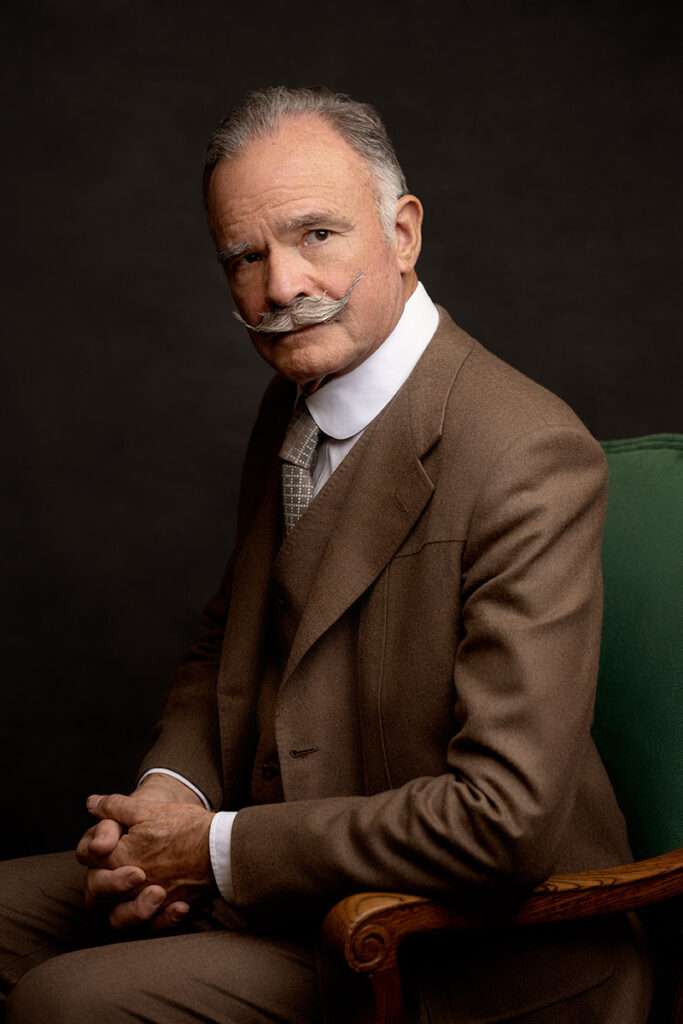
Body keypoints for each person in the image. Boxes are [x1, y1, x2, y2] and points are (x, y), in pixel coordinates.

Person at [0, 86, 652, 1023]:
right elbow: (229, 637)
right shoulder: (300, 396)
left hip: (473, 947)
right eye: (244, 256)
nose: (281, 288)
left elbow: (502, 823)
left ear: (403, 233)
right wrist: (161, 804)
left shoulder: (525, 452)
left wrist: (214, 849)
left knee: (67, 1004)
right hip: (298, 892)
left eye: (316, 236)